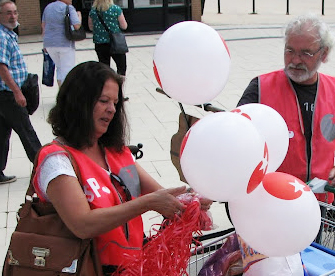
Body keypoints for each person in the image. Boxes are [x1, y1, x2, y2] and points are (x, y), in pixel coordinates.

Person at [33, 61, 212, 275]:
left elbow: (161, 194)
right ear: (77, 102)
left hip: (132, 267)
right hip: (87, 268)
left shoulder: (116, 151)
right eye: (103, 101)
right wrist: (147, 204)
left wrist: (192, 200)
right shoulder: (57, 159)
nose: (111, 109)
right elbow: (82, 225)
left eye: (115, 103)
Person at [236, 13, 335, 275]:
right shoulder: (260, 88)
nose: (294, 60)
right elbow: (235, 145)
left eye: (305, 53)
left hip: (316, 209)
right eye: (289, 50)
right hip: (267, 210)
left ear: (324, 54)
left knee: (308, 268)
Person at [0, 0, 41, 184]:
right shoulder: (1, 36)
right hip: (8, 94)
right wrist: (17, 92)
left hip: (5, 94)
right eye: (8, 13)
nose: (13, 16)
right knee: (27, 131)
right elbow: (1, 67)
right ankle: (45, 169)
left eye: (15, 12)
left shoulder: (8, 34)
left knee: (2, 134)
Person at [41, 0, 82, 87]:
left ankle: (61, 92)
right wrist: (79, 15)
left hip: (49, 43)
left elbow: (44, 26)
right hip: (65, 43)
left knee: (59, 68)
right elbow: (77, 25)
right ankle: (66, 95)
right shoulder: (68, 8)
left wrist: (44, 43)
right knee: (67, 70)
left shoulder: (48, 7)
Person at [88, 0, 128, 77]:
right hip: (115, 42)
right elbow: (124, 26)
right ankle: (119, 85)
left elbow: (91, 27)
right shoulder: (116, 9)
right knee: (121, 67)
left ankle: (107, 85)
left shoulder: (93, 11)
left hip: (100, 43)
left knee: (104, 68)